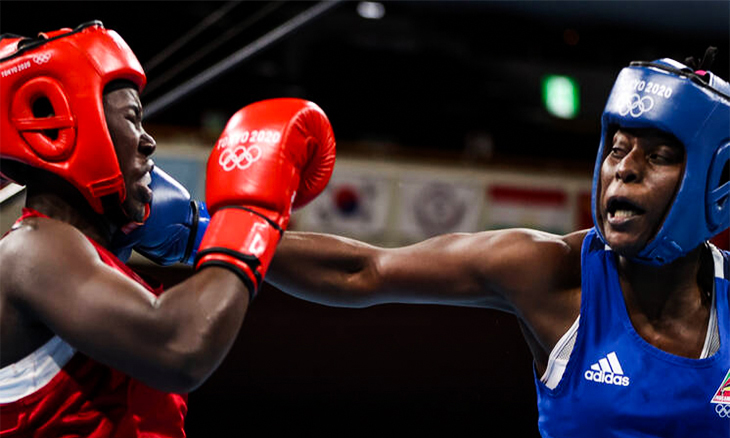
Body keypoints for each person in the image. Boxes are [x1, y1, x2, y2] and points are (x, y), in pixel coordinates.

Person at [123, 50, 730, 436]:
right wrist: (201, 233)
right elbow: (366, 271)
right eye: (617, 148)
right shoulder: (553, 272)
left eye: (659, 156)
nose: (623, 171)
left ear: (714, 178)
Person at [0, 21, 336, 437]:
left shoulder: (89, 260)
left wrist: (234, 227)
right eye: (133, 119)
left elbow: (357, 270)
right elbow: (178, 349)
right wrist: (247, 213)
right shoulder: (33, 249)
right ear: (63, 127)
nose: (148, 142)